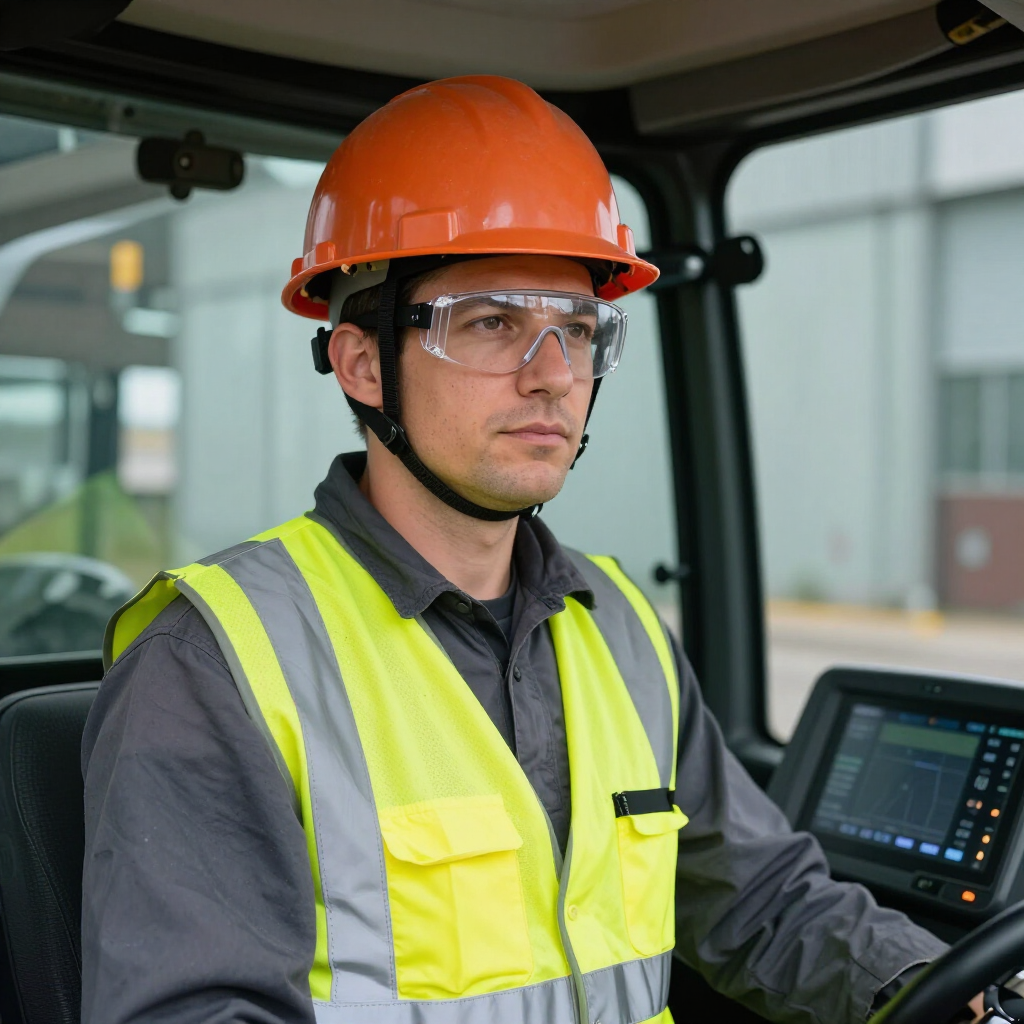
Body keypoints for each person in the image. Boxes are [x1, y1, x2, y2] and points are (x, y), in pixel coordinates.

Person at [81, 75, 981, 1024]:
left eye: (578, 330)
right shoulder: (216, 658)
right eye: (492, 323)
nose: (553, 376)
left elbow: (762, 902)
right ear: (361, 363)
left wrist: (958, 999)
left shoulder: (622, 630)